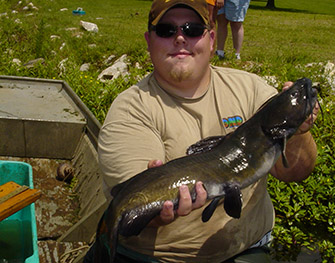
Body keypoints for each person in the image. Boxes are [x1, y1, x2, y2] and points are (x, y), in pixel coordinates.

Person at [91, 0, 319, 261]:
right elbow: (136, 204)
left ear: (211, 39)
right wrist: (158, 208)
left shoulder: (250, 88)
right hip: (159, 258)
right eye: (166, 30)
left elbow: (297, 172)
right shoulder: (131, 109)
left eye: (192, 29)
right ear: (148, 40)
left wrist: (299, 131)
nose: (180, 38)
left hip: (247, 248)